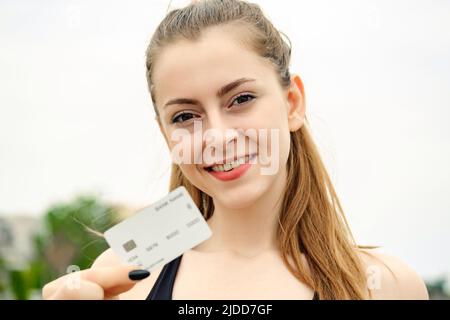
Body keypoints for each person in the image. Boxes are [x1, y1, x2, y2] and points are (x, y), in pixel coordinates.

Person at [42, 0, 429, 300]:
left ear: (292, 102)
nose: (216, 136)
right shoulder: (124, 274)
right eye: (184, 117)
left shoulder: (385, 285)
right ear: (165, 134)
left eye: (240, 98)